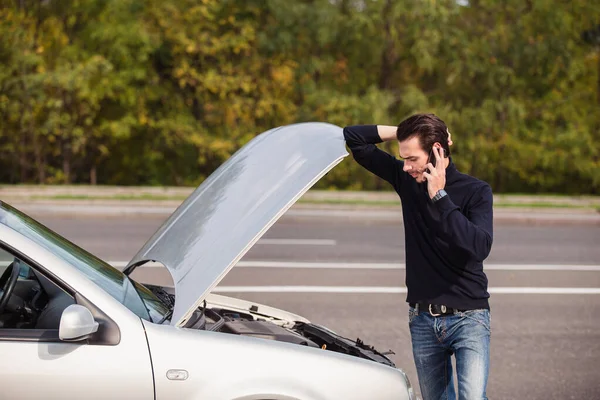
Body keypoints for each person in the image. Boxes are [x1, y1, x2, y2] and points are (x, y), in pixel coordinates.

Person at [343, 114, 493, 400]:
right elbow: (354, 137)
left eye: (412, 158)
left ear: (437, 150)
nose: (407, 166)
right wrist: (408, 131)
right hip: (423, 319)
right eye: (404, 158)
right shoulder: (406, 179)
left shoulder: (476, 191)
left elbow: (478, 247)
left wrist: (439, 196)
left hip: (469, 317)